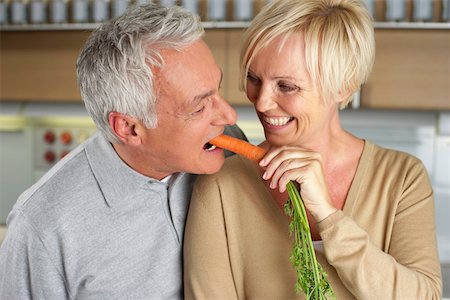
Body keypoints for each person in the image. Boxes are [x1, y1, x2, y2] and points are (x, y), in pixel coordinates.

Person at [183, 0, 442, 299]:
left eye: (286, 86)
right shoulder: (221, 185)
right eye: (254, 79)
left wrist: (329, 217)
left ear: (343, 86)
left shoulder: (401, 179)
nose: (261, 102)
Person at [0, 3, 245, 299]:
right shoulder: (42, 227)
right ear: (129, 129)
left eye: (218, 89)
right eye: (199, 106)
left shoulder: (230, 149)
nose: (229, 116)